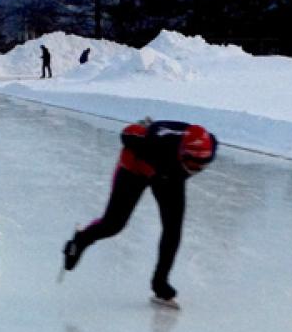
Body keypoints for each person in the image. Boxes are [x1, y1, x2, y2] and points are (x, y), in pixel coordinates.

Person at [63, 120, 218, 308]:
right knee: (114, 224)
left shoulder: (210, 144)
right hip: (134, 169)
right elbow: (127, 134)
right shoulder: (154, 142)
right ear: (182, 152)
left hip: (168, 178)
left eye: (202, 166)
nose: (195, 170)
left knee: (173, 230)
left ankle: (160, 284)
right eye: (192, 164)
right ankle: (80, 241)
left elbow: (192, 160)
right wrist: (143, 127)